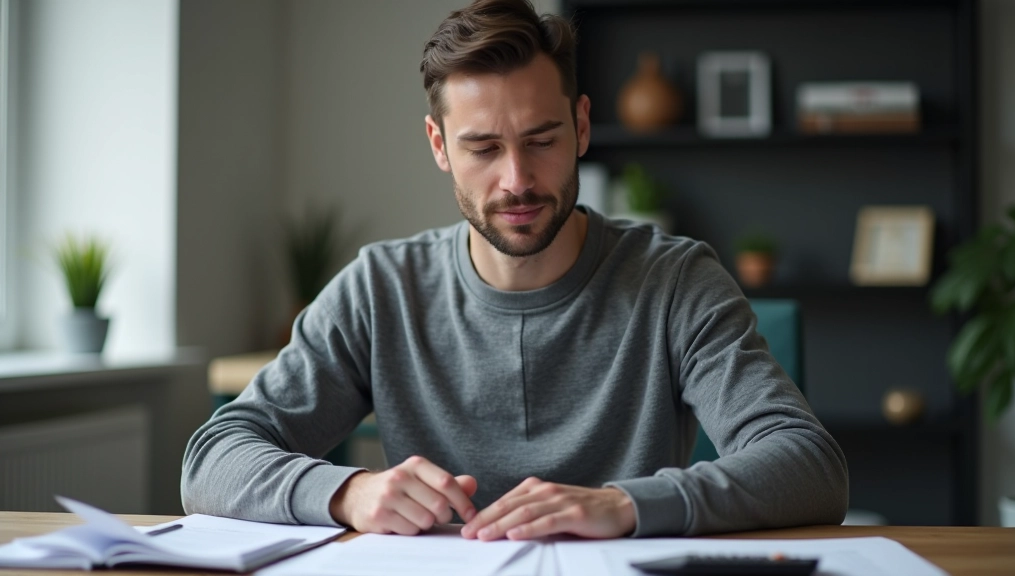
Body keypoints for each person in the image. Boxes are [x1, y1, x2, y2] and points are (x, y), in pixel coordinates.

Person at [182, 0, 848, 540]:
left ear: (582, 127)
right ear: (439, 145)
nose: (517, 180)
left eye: (541, 140)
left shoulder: (674, 281)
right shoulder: (381, 289)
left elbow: (809, 466)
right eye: (483, 148)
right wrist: (349, 493)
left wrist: (625, 505)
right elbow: (212, 460)